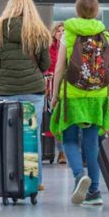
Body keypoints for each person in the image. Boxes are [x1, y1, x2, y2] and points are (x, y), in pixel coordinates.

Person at [50, 0, 109, 206]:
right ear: (96, 11)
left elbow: (59, 68)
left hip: (73, 95)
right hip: (98, 96)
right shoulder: (104, 34)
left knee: (68, 140)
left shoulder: (68, 33)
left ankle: (79, 177)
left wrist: (54, 95)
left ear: (77, 10)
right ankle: (94, 193)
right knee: (92, 143)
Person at [0, 0, 52, 188]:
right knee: (31, 137)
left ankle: (8, 179)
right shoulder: (38, 31)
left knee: (8, 136)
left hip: (7, 91)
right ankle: (35, 181)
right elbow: (45, 65)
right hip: (33, 92)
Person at [47, 22, 67, 164]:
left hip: (66, 87)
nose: (61, 33)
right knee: (55, 119)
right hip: (50, 87)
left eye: (63, 31)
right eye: (58, 31)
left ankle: (63, 152)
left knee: (64, 120)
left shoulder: (70, 46)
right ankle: (60, 152)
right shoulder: (49, 47)